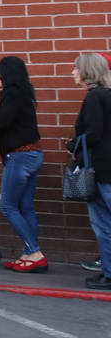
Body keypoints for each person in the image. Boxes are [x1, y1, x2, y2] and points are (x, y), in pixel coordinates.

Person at [0, 56, 45, 272]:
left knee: (7, 206)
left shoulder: (11, 95)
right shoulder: (24, 94)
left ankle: (34, 252)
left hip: (19, 156)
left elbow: (2, 121)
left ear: (8, 75)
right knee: (25, 206)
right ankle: (30, 253)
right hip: (33, 154)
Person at [68, 52, 111, 291]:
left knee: (103, 223)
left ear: (87, 71)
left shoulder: (94, 97)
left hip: (101, 169)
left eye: (76, 68)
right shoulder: (107, 95)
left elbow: (93, 133)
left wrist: (75, 145)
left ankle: (109, 273)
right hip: (106, 168)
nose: (73, 72)